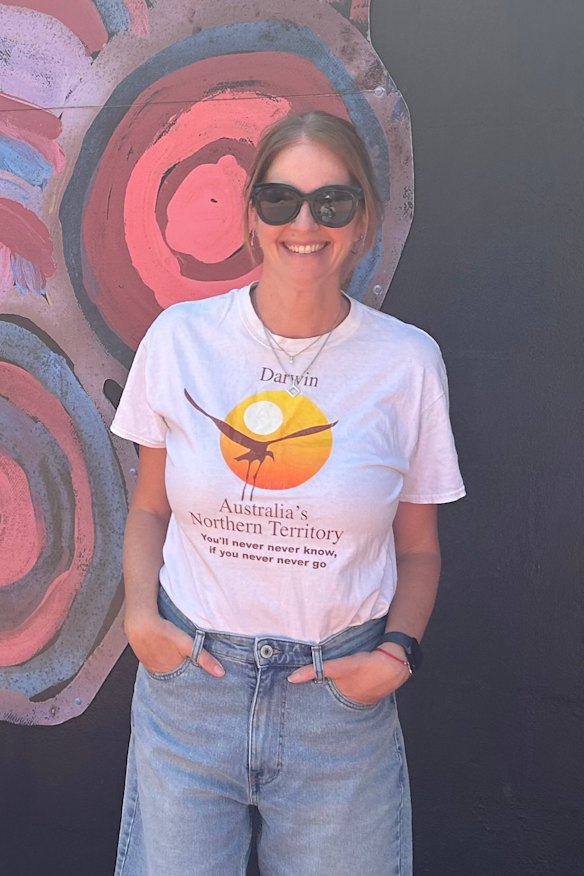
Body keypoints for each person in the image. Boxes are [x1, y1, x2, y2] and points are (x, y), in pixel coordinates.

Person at [111, 110, 465, 876]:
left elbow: (420, 550)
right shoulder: (181, 340)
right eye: (280, 200)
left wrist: (397, 654)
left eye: (331, 202)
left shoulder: (406, 363)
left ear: (362, 217)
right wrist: (139, 617)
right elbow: (148, 506)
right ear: (251, 216)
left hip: (337, 702)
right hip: (191, 689)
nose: (304, 223)